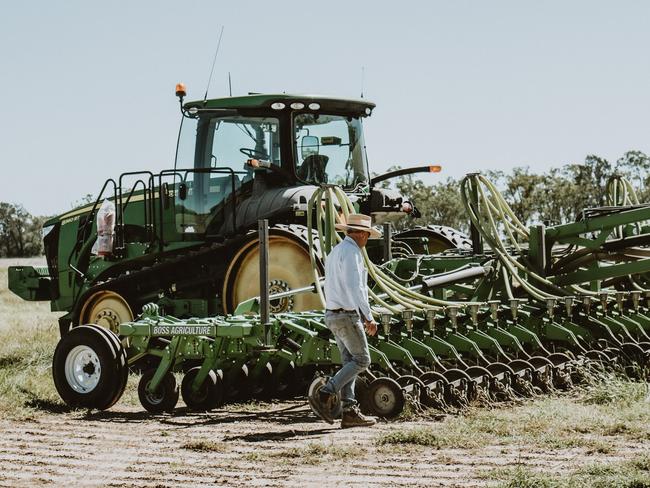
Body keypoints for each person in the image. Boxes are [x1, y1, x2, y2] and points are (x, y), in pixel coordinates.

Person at [309, 213, 381, 428]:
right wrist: (368, 316)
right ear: (359, 233)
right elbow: (355, 287)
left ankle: (349, 412)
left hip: (332, 313)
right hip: (346, 314)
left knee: (350, 361)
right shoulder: (352, 253)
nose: (367, 239)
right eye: (366, 234)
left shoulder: (336, 252)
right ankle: (326, 392)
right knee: (362, 360)